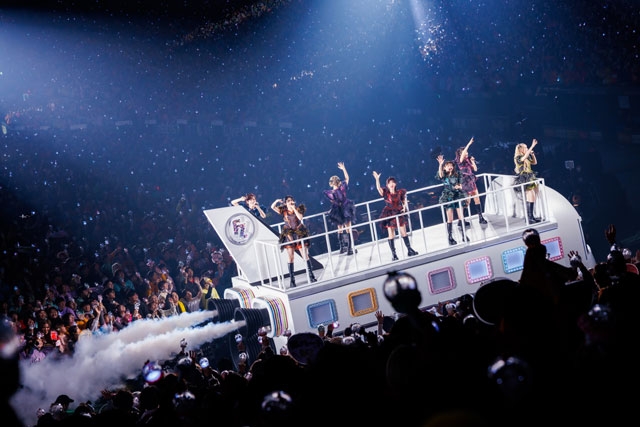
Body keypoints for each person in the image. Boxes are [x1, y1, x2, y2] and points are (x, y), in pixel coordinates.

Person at [271, 195, 317, 288]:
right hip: (289, 235)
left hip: (299, 233)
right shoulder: (283, 211)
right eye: (288, 201)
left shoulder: (298, 209)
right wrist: (276, 201)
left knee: (305, 255)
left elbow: (300, 218)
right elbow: (272, 207)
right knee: (291, 257)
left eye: (291, 200)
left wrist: (294, 209)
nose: (290, 202)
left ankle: (311, 276)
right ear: (285, 203)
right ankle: (292, 280)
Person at [372, 172, 418, 260]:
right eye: (389, 183)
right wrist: (377, 179)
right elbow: (378, 188)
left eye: (393, 182)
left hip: (398, 212)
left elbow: (404, 201)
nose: (391, 184)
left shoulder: (400, 192)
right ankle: (394, 254)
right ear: (387, 185)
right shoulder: (386, 193)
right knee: (391, 234)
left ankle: (409, 250)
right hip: (389, 213)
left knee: (403, 232)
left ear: (395, 184)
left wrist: (404, 208)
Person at [323, 162, 356, 255]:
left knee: (340, 229)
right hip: (345, 208)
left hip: (337, 209)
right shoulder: (342, 188)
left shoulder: (331, 193)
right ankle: (349, 249)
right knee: (348, 228)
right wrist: (344, 169)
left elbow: (332, 201)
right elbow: (347, 178)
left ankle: (342, 248)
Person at [436, 154, 469, 245]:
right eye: (448, 166)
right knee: (450, 218)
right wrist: (440, 164)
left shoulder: (458, 174)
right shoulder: (444, 175)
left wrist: (459, 187)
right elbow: (440, 174)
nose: (450, 167)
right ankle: (450, 237)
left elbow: (461, 184)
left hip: (457, 195)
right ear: (445, 168)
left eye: (451, 165)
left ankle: (464, 235)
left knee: (461, 216)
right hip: (448, 197)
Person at [455, 136, 487, 224]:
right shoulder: (460, 161)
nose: (466, 153)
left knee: (477, 199)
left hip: (471, 181)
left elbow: (475, 169)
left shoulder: (468, 160)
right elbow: (462, 156)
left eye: (466, 152)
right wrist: (468, 144)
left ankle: (481, 218)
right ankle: (461, 220)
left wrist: (472, 161)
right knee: (467, 202)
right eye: (465, 152)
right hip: (465, 182)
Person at [513, 138, 540, 223]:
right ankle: (529, 218)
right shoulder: (518, 157)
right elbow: (523, 158)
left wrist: (533, 154)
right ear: (521, 149)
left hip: (530, 176)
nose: (527, 149)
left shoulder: (526, 156)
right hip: (525, 178)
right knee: (530, 196)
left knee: (532, 197)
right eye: (526, 148)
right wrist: (532, 146)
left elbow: (535, 162)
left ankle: (531, 217)